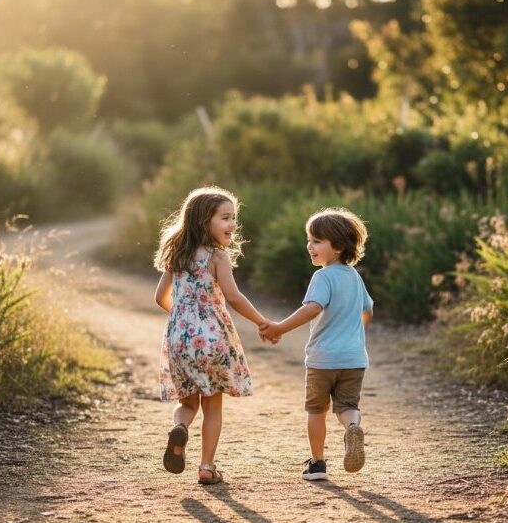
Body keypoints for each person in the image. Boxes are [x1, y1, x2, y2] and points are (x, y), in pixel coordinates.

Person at [154, 186, 272, 485]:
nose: (233, 224)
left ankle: (180, 427)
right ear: (204, 221)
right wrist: (261, 321)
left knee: (188, 404)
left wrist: (184, 315)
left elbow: (160, 297)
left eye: (234, 218)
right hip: (212, 339)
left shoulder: (177, 254)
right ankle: (207, 466)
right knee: (212, 405)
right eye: (225, 218)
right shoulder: (217, 257)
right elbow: (234, 297)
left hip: (179, 337)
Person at [259, 208, 373, 481]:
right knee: (347, 407)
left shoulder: (323, 277)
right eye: (309, 239)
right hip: (354, 358)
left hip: (323, 359)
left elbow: (311, 308)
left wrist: (280, 327)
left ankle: (318, 464)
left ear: (339, 247)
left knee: (316, 411)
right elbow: (368, 308)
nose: (310, 246)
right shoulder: (355, 277)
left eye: (317, 241)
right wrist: (355, 335)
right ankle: (352, 428)